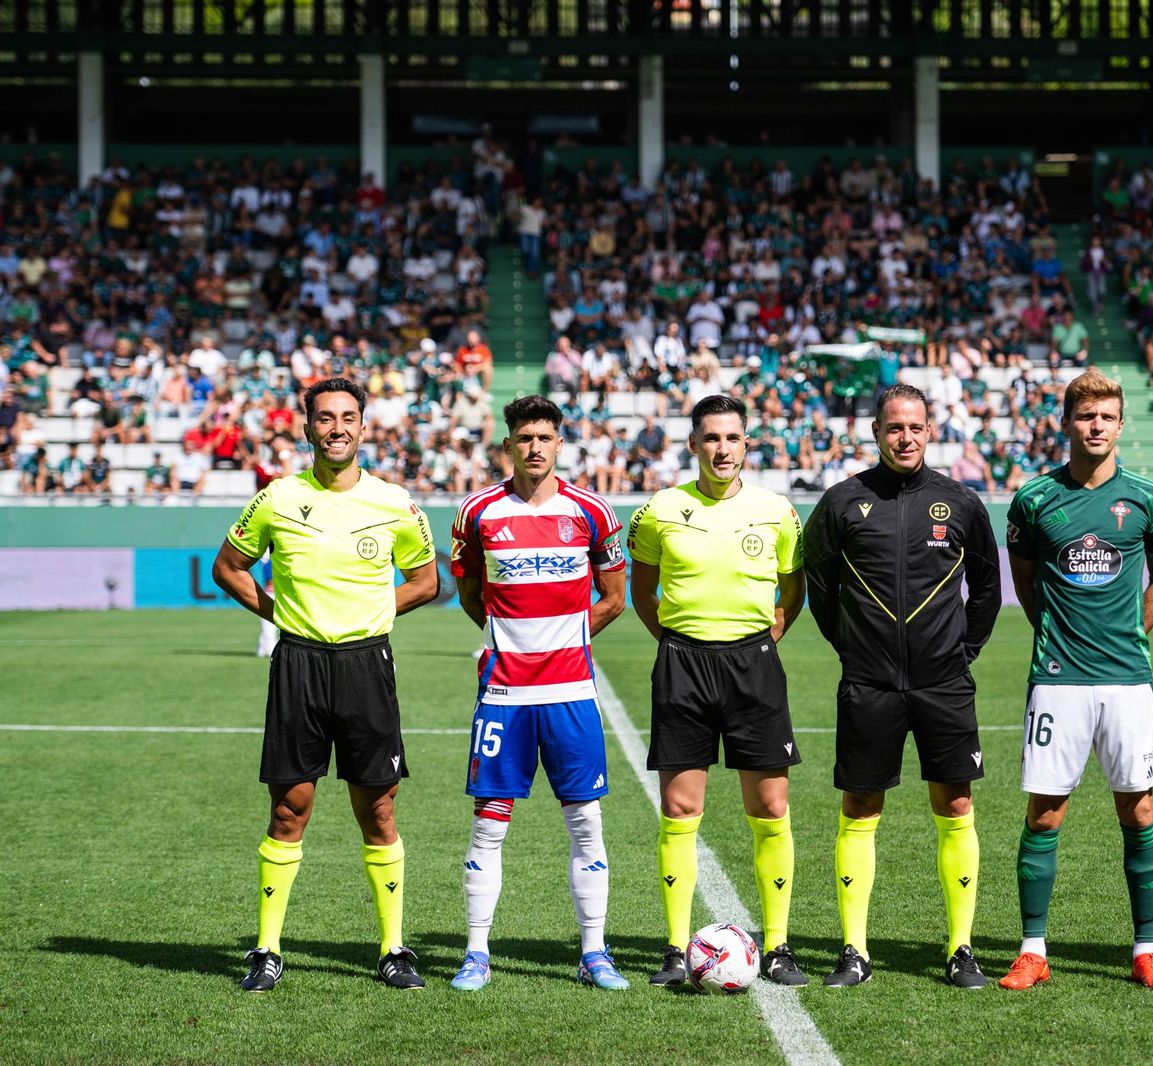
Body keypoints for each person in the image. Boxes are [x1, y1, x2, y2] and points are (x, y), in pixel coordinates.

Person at [212, 378, 439, 992]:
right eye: (325, 418)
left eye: (347, 417)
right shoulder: (277, 498)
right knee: (289, 808)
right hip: (299, 664)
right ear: (307, 427)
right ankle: (266, 950)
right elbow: (229, 568)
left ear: (363, 426)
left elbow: (426, 581)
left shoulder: (394, 502)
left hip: (367, 665)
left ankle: (393, 949)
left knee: (380, 809)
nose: (336, 427)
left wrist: (374, 613)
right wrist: (280, 614)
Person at [803, 383, 1002, 989]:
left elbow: (987, 590)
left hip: (945, 684)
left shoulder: (961, 502)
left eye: (915, 427)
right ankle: (854, 951)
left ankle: (961, 949)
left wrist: (961, 653)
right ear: (876, 433)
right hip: (869, 685)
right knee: (860, 807)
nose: (906, 438)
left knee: (956, 805)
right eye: (895, 428)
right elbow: (820, 590)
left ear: (930, 431)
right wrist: (854, 649)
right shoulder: (842, 502)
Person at [997, 368, 1153, 993]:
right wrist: (1056, 633)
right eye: (1085, 416)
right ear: (1067, 423)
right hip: (1059, 679)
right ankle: (1032, 949)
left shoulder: (1150, 499)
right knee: (1045, 812)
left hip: (1128, 679)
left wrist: (1133, 634)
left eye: (1106, 416)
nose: (1096, 426)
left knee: (1139, 807)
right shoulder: (1033, 499)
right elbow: (1024, 579)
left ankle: (1146, 949)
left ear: (1121, 424)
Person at [447, 394, 629, 992]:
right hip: (503, 694)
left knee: (585, 822)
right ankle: (476, 953)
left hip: (571, 692)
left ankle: (594, 952)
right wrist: (511, 641)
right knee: (489, 825)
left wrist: (564, 639)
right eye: (524, 438)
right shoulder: (477, 512)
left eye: (544, 438)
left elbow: (613, 598)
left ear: (559, 444)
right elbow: (471, 595)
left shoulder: (592, 512)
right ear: (508, 445)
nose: (534, 448)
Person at [627, 394, 808, 987]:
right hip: (682, 666)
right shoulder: (660, 510)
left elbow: (792, 590)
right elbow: (643, 591)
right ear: (693, 444)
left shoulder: (776, 511)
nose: (722, 449)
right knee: (680, 810)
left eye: (732, 438)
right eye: (711, 438)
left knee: (770, 807)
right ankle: (676, 948)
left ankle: (777, 946)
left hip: (754, 666)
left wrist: (763, 641)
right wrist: (675, 642)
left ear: (746, 444)